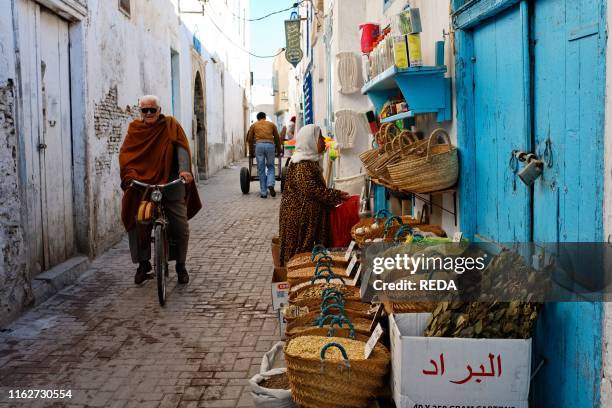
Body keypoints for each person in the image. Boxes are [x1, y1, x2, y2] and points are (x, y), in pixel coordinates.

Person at [119, 95, 202, 285]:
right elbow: (126, 157)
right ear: (140, 112)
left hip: (170, 181)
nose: (148, 113)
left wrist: (184, 171)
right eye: (144, 110)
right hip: (142, 186)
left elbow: (181, 148)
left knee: (180, 227)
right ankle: (143, 263)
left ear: (159, 110)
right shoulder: (134, 130)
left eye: (152, 110)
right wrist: (129, 176)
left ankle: (181, 265)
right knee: (135, 218)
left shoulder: (171, 125)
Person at [278, 124, 350, 266]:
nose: (323, 140)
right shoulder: (302, 164)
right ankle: (297, 281)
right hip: (300, 222)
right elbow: (311, 189)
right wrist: (337, 195)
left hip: (307, 218)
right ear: (309, 141)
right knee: (300, 256)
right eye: (319, 138)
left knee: (307, 257)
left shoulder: (309, 162)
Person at [246, 112, 282, 198]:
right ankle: (270, 184)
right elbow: (277, 138)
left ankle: (263, 192)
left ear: (257, 118)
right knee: (271, 166)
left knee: (261, 169)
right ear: (265, 117)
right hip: (270, 145)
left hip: (259, 146)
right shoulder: (271, 124)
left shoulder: (254, 125)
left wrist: (251, 151)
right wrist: (279, 150)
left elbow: (250, 139)